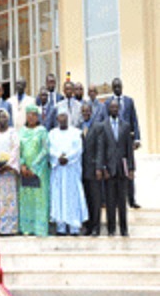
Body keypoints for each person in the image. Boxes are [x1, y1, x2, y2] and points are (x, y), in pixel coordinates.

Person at [49, 109, 88, 236]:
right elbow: (49, 149)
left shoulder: (76, 133)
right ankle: (60, 226)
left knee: (72, 197)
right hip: (58, 170)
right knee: (59, 197)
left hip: (71, 170)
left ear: (68, 118)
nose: (63, 119)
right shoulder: (52, 134)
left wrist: (68, 158)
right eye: (60, 116)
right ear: (57, 119)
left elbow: (78, 149)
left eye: (65, 116)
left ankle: (74, 226)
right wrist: (58, 157)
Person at [98, 100, 134, 237]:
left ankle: (124, 229)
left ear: (118, 109)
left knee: (122, 202)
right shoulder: (103, 126)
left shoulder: (125, 126)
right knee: (110, 202)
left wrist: (131, 169)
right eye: (111, 107)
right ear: (108, 109)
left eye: (115, 107)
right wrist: (102, 168)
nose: (114, 109)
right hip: (109, 170)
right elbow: (101, 148)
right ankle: (111, 229)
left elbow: (129, 150)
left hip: (122, 170)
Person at [103, 78, 141, 209]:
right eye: (115, 86)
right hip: (114, 141)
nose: (117, 88)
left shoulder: (129, 101)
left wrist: (137, 139)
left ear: (122, 87)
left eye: (119, 86)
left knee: (129, 169)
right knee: (115, 170)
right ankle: (118, 199)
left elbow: (134, 120)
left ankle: (131, 199)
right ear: (112, 88)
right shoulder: (108, 102)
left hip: (127, 141)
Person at [18, 105, 50, 236]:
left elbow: (45, 150)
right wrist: (22, 164)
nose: (31, 117)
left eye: (33, 114)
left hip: (39, 171)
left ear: (37, 117)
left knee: (39, 199)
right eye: (29, 114)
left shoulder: (42, 131)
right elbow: (17, 149)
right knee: (26, 198)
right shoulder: (21, 131)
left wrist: (34, 167)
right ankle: (26, 227)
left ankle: (39, 228)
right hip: (24, 171)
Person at [0, 109, 20, 235]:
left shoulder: (13, 133)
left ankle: (10, 228)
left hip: (9, 172)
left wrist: (7, 164)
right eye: (0, 117)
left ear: (8, 119)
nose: (2, 119)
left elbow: (16, 149)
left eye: (5, 117)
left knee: (10, 201)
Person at [80, 103, 103, 236]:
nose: (85, 113)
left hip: (94, 170)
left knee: (96, 200)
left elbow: (100, 149)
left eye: (87, 111)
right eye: (83, 111)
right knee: (87, 199)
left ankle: (96, 227)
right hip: (82, 171)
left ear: (91, 112)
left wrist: (99, 167)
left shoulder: (97, 127)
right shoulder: (80, 128)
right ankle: (88, 226)